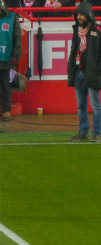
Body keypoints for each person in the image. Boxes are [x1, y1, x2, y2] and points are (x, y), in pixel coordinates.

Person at [68, 2, 101, 143]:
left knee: (95, 105)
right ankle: (83, 132)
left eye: (82, 14)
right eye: (78, 15)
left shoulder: (97, 30)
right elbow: (73, 50)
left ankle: (96, 133)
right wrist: (70, 68)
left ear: (89, 15)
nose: (80, 17)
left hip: (92, 73)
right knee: (81, 105)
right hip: (77, 72)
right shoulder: (77, 31)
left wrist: (98, 71)